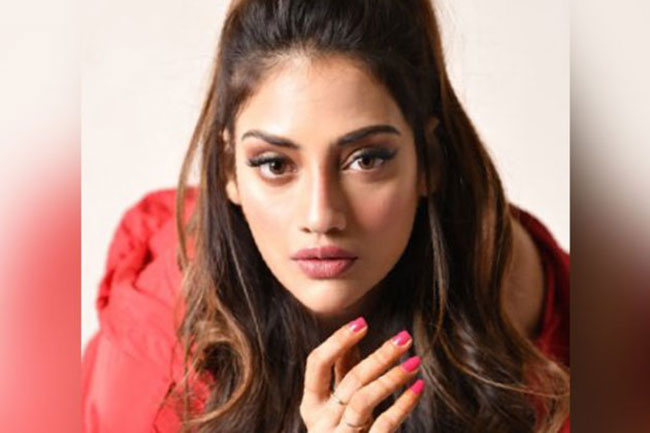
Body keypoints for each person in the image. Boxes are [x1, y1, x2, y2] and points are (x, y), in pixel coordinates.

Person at [82, 0, 570, 432]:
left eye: (366, 160)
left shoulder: (535, 322)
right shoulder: (156, 357)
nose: (321, 216)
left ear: (429, 161)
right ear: (229, 169)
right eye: (275, 165)